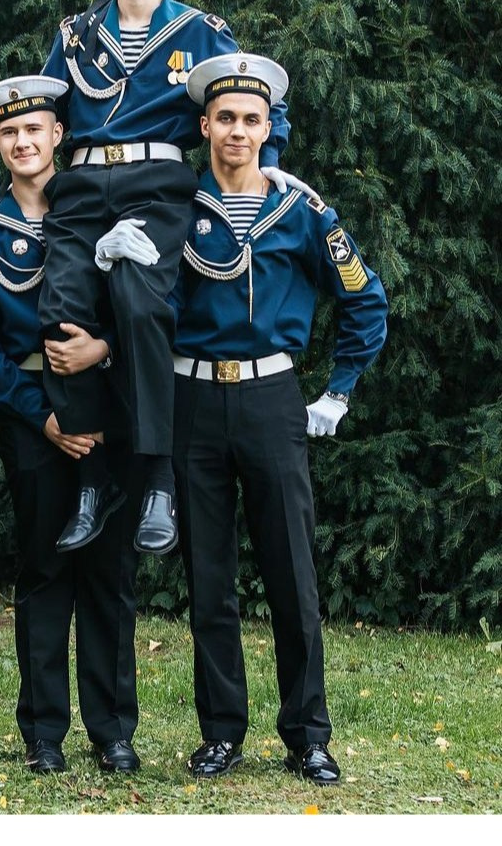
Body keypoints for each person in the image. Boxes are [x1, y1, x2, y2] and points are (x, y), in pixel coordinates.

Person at [39, 0, 304, 557]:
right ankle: (95, 475)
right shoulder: (76, 36)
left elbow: (257, 102)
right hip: (82, 185)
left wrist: (266, 169)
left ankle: (158, 476)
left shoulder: (199, 32)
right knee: (61, 308)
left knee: (138, 296)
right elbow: (42, 115)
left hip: (156, 186)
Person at [170, 53, 388, 786]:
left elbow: (364, 299)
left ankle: (307, 735)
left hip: (271, 400)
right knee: (209, 576)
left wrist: (338, 391)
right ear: (205, 125)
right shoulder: (176, 207)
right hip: (194, 399)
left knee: (292, 574)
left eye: (251, 119)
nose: (238, 130)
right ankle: (220, 732)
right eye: (225, 118)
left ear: (269, 128)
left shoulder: (302, 210)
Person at [0, 74, 146, 774]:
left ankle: (112, 729)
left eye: (34, 128)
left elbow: (150, 308)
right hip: (34, 411)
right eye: (9, 132)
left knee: (109, 571)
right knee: (43, 570)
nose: (23, 141)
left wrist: (107, 348)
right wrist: (42, 418)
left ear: (58, 134)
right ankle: (43, 732)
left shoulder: (105, 214)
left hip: (106, 403)